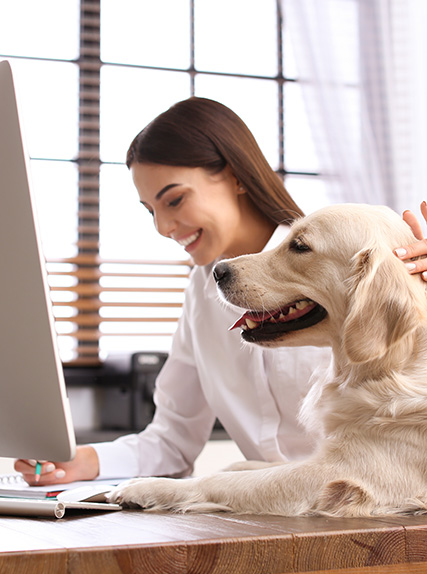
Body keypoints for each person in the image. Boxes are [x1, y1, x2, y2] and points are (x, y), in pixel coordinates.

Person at [15, 98, 427, 485]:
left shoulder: (349, 262)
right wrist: (84, 462)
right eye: (150, 211)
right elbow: (172, 440)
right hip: (258, 519)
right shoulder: (203, 292)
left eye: (174, 200)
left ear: (235, 177)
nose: (162, 227)